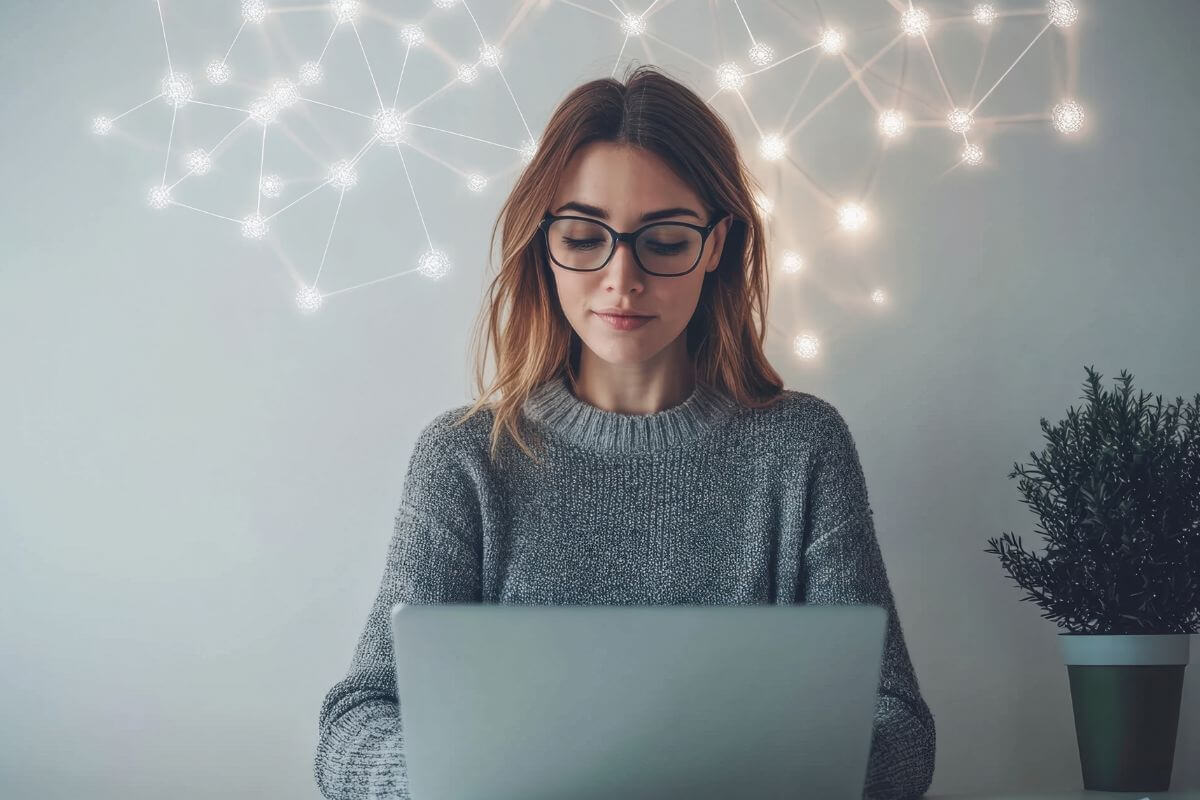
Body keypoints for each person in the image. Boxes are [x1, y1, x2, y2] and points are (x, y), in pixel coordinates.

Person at [314, 63, 936, 800]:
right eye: (583, 237)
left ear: (716, 244)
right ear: (543, 246)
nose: (621, 278)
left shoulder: (803, 448)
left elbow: (897, 728)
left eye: (665, 241)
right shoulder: (465, 459)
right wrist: (462, 780)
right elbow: (354, 727)